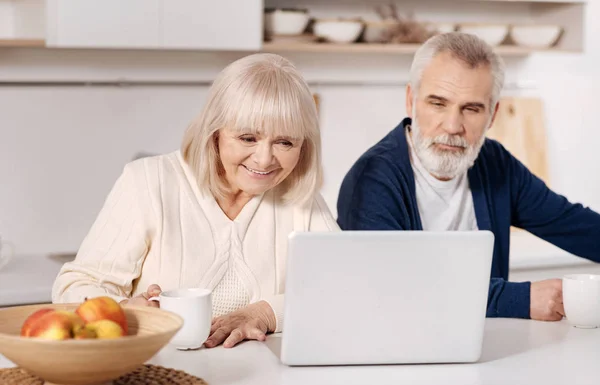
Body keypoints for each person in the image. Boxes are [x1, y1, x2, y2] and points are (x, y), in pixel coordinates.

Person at [52, 53, 339, 348]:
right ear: (214, 132)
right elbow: (73, 286)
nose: (265, 159)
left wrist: (266, 313)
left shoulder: (301, 199)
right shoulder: (149, 181)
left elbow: (347, 289)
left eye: (285, 142)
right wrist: (124, 309)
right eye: (248, 138)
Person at [336, 32, 600, 322]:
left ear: (493, 114)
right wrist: (520, 299)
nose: (452, 126)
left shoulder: (495, 164)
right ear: (411, 100)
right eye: (438, 103)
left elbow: (575, 225)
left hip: (486, 352)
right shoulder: (372, 179)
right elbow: (395, 289)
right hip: (400, 354)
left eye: (471, 109)